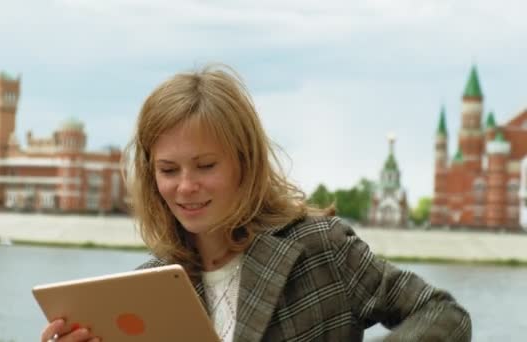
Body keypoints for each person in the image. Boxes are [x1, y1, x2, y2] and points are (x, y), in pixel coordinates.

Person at [40, 65, 472, 342]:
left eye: (206, 165)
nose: (185, 187)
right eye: (168, 170)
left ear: (244, 164)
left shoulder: (321, 249)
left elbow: (445, 316)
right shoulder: (147, 287)